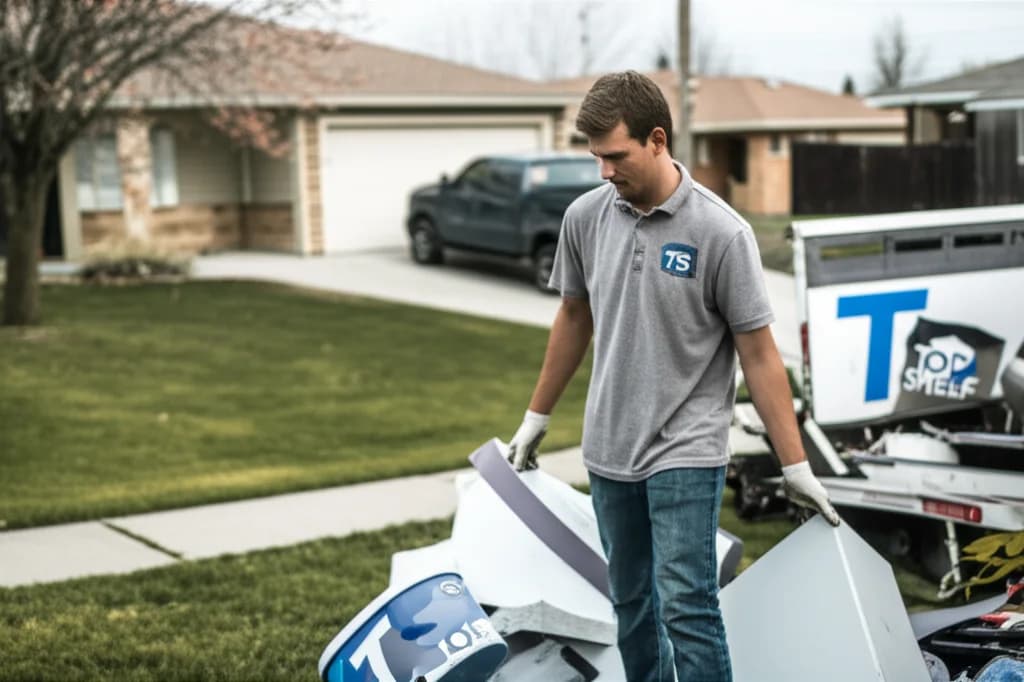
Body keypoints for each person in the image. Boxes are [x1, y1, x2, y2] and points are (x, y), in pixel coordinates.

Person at [506, 71, 840, 682]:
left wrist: (794, 465)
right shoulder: (585, 218)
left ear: (657, 140)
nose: (603, 170)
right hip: (608, 444)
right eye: (595, 156)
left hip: (687, 447)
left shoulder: (721, 233)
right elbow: (573, 316)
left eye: (615, 155)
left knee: (686, 605)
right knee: (631, 602)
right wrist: (536, 418)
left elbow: (761, 355)